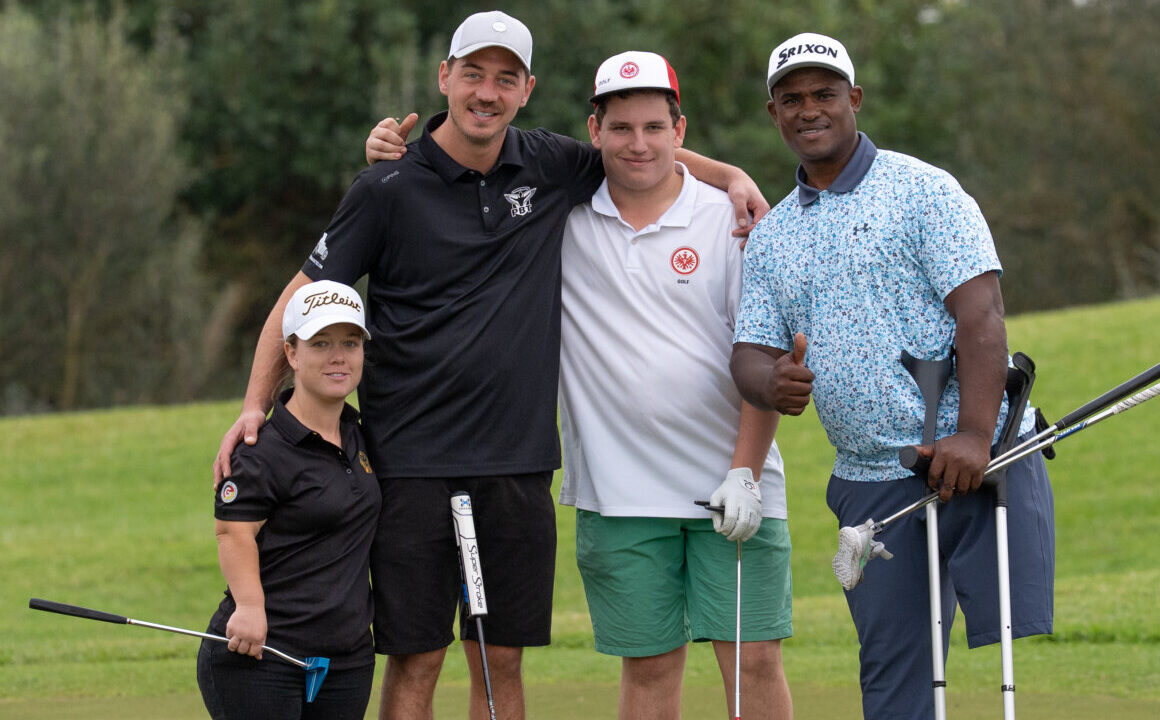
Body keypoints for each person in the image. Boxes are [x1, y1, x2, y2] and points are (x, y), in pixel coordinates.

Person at [213, 11, 768, 720]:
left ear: (527, 89)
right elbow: (296, 301)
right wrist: (255, 406)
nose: (487, 92)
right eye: (473, 74)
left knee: (499, 662)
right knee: (415, 659)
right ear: (445, 77)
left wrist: (732, 176)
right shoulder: (385, 188)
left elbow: (642, 154)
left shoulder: (548, 164)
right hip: (411, 461)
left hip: (517, 463)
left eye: (506, 79)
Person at [729, 33, 1055, 720]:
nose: (808, 110)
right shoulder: (773, 235)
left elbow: (982, 314)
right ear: (773, 112)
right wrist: (770, 383)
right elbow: (750, 353)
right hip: (869, 481)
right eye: (791, 99)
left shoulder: (924, 191)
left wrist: (973, 433)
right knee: (894, 680)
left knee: (1000, 657)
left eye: (823, 94)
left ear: (854, 98)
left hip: (968, 461)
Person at [555, 51, 792, 718]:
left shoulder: (733, 219)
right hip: (618, 490)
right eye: (621, 127)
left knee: (754, 660)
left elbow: (764, 356)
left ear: (679, 130)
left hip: (734, 482)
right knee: (651, 670)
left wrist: (744, 471)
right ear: (594, 129)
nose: (639, 144)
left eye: (654, 127)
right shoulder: (562, 218)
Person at [199, 280, 379, 720]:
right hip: (262, 653)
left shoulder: (362, 435)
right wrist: (249, 606)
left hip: (346, 659)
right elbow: (233, 532)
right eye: (321, 343)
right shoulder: (262, 448)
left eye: (350, 343)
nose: (339, 356)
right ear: (292, 354)